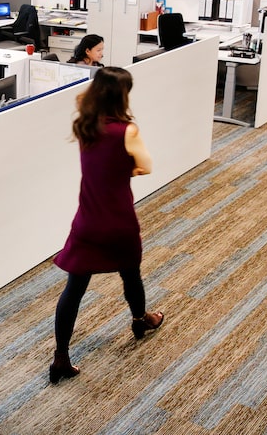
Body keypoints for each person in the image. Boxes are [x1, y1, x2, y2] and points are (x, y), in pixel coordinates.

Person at [49, 66, 163, 384]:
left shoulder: (85, 125)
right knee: (131, 275)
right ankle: (140, 320)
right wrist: (129, 171)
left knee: (74, 289)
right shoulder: (127, 131)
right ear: (120, 95)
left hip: (87, 220)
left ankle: (60, 357)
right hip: (118, 221)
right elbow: (147, 165)